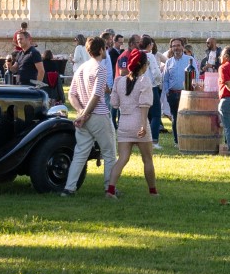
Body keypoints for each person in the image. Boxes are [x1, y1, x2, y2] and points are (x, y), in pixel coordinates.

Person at [64, 42, 117, 197]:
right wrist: (85, 113)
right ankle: (109, 188)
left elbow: (71, 94)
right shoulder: (100, 69)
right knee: (109, 153)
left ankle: (69, 187)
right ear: (100, 50)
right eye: (105, 48)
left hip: (83, 117)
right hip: (98, 116)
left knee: (80, 153)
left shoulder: (81, 68)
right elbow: (96, 95)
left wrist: (81, 112)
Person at [107, 50, 159, 195]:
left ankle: (110, 190)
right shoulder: (144, 81)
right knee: (147, 159)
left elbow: (114, 103)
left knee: (122, 158)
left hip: (124, 123)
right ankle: (153, 191)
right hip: (139, 122)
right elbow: (144, 105)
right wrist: (143, 124)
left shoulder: (119, 81)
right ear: (143, 66)